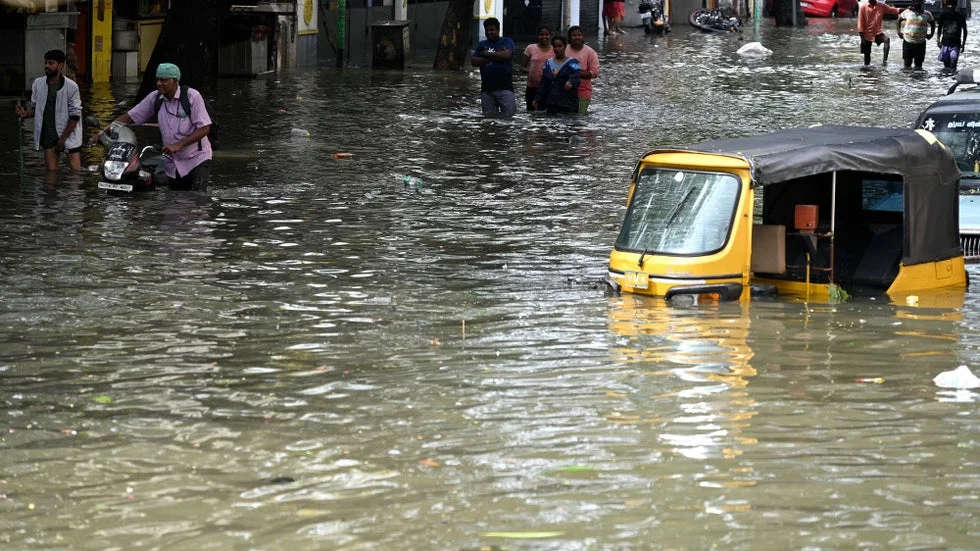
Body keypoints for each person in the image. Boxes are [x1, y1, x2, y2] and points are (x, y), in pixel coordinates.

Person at [91, 63, 213, 191]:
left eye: (164, 80)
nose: (159, 83)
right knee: (177, 202)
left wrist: (179, 145)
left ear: (175, 81)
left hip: (196, 159)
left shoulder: (192, 97)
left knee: (198, 199)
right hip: (172, 163)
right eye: (157, 80)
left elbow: (204, 129)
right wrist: (102, 132)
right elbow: (128, 117)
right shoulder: (155, 98)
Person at [14, 49, 83, 171]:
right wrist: (25, 114)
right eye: (46, 63)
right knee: (51, 174)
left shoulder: (71, 86)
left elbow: (75, 116)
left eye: (51, 63)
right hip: (48, 135)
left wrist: (62, 140)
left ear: (60, 65)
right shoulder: (38, 84)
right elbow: (37, 111)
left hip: (69, 135)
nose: (47, 66)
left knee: (75, 174)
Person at [471, 18, 517, 118]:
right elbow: (474, 61)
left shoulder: (507, 41)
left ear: (498, 29)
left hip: (505, 88)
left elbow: (506, 55)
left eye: (492, 30)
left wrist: (485, 54)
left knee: (510, 118)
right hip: (486, 90)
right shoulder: (481, 44)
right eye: (487, 30)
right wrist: (496, 56)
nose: (489, 32)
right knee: (488, 121)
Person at [533, 36, 581, 114]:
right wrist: (537, 98)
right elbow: (543, 82)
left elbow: (577, 76)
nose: (557, 49)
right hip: (552, 102)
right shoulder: (548, 63)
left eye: (560, 46)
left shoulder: (573, 62)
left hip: (568, 103)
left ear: (565, 47)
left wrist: (570, 82)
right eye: (555, 47)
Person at [565, 26, 600, 115]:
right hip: (564, 90)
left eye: (579, 35)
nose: (577, 37)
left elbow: (595, 72)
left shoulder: (590, 52)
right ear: (569, 37)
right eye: (574, 35)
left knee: (580, 116)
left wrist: (575, 74)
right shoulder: (564, 49)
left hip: (583, 90)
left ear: (583, 36)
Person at [857, 0, 901, 66]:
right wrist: (862, 39)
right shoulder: (863, 7)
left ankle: (884, 61)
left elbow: (892, 10)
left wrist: (905, 9)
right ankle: (866, 69)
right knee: (867, 56)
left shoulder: (881, 5)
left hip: (877, 33)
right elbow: (860, 23)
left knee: (886, 40)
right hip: (867, 34)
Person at [521, 26, 554, 112]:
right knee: (531, 112)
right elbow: (522, 67)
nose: (544, 37)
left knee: (548, 113)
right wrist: (531, 71)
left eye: (546, 34)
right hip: (532, 87)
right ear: (538, 36)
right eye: (541, 34)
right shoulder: (530, 48)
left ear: (550, 36)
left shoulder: (555, 50)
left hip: (549, 87)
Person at [897, 0, 935, 70]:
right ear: (913, 3)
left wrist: (931, 34)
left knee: (919, 66)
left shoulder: (927, 14)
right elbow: (899, 20)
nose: (917, 3)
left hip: (921, 43)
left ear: (922, 2)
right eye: (916, 1)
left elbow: (933, 23)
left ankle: (917, 80)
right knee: (907, 65)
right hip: (908, 42)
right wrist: (898, 32)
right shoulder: (907, 12)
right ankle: (907, 80)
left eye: (919, 2)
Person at [936, 0, 967, 72]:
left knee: (953, 65)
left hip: (955, 44)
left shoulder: (960, 16)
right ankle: (947, 81)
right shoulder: (943, 16)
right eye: (949, 4)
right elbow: (939, 29)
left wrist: (963, 44)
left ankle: (952, 78)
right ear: (946, 6)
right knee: (946, 67)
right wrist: (938, 40)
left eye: (952, 4)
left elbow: (965, 30)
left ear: (955, 5)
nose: (951, 6)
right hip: (945, 43)